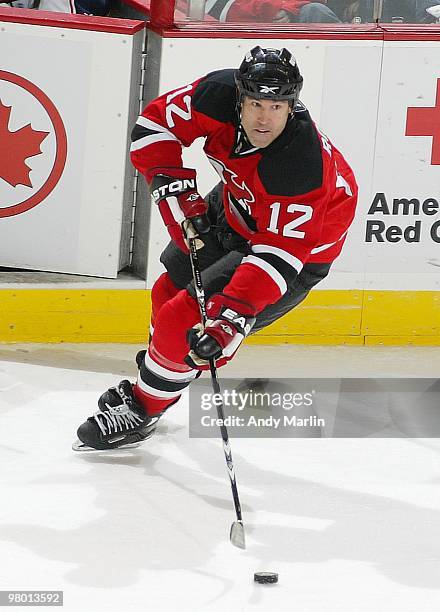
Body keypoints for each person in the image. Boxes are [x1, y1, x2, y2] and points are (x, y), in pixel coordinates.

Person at [73, 46, 358, 451]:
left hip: (292, 254)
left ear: (291, 106)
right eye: (256, 103)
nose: (264, 118)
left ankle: (144, 408)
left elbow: (278, 253)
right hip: (236, 204)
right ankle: (163, 377)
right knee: (166, 293)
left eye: (276, 106)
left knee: (183, 325)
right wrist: (174, 188)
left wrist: (232, 319)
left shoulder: (300, 165)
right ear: (239, 96)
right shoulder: (216, 94)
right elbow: (154, 126)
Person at [206, 0, 341, 23]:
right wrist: (275, 7)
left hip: (293, 23)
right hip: (249, 35)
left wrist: (288, 8)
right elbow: (223, 9)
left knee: (315, 10)